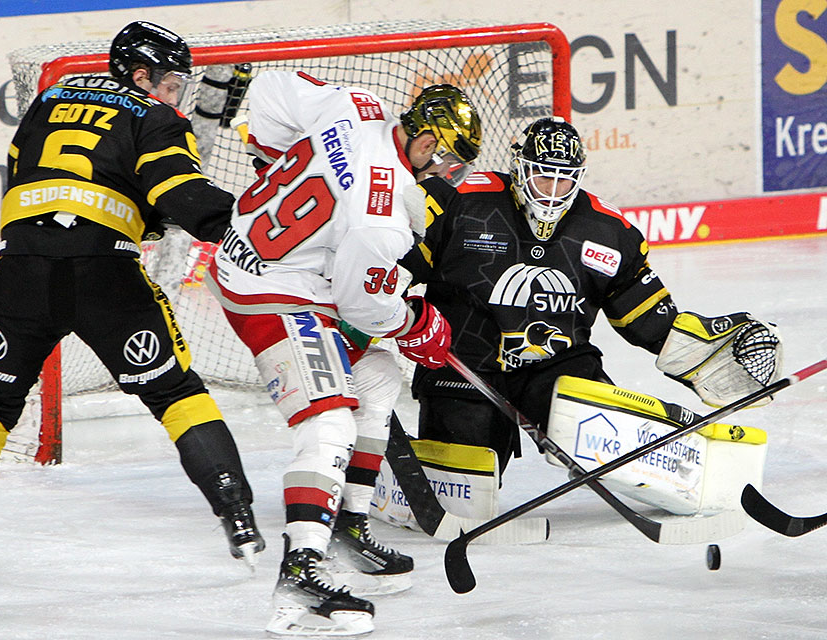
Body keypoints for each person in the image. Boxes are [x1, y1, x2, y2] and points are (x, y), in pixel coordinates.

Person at [0, 21, 264, 585]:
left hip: (20, 273)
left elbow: (29, 176)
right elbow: (178, 196)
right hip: (106, 273)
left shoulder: (48, 99)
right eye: (171, 83)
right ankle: (238, 517)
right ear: (141, 75)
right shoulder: (154, 116)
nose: (176, 95)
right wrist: (258, 226)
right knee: (175, 393)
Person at [207, 70, 480, 635]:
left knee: (377, 377)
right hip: (271, 292)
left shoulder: (358, 105)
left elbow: (267, 91)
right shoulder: (381, 220)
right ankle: (300, 575)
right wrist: (414, 322)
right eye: (448, 161)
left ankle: (347, 528)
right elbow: (361, 308)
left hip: (253, 252)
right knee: (330, 416)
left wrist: (280, 160)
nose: (447, 174)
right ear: (426, 143)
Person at [399, 116, 783, 480]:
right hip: (463, 365)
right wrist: (397, 312)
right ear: (519, 169)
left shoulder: (607, 232)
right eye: (542, 177)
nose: (551, 191)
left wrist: (709, 353)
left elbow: (648, 317)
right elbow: (390, 268)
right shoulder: (457, 203)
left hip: (556, 367)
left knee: (619, 452)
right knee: (465, 489)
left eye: (563, 181)